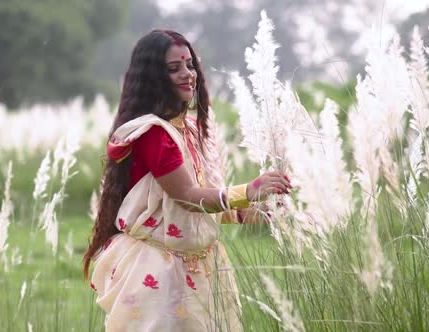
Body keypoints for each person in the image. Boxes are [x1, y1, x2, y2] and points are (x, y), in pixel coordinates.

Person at [82, 29, 292, 332]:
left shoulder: (189, 129)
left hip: (200, 268)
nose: (187, 74)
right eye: (173, 68)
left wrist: (248, 212)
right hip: (158, 269)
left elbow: (187, 206)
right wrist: (249, 190)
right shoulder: (153, 134)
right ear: (153, 76)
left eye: (190, 65)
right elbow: (187, 197)